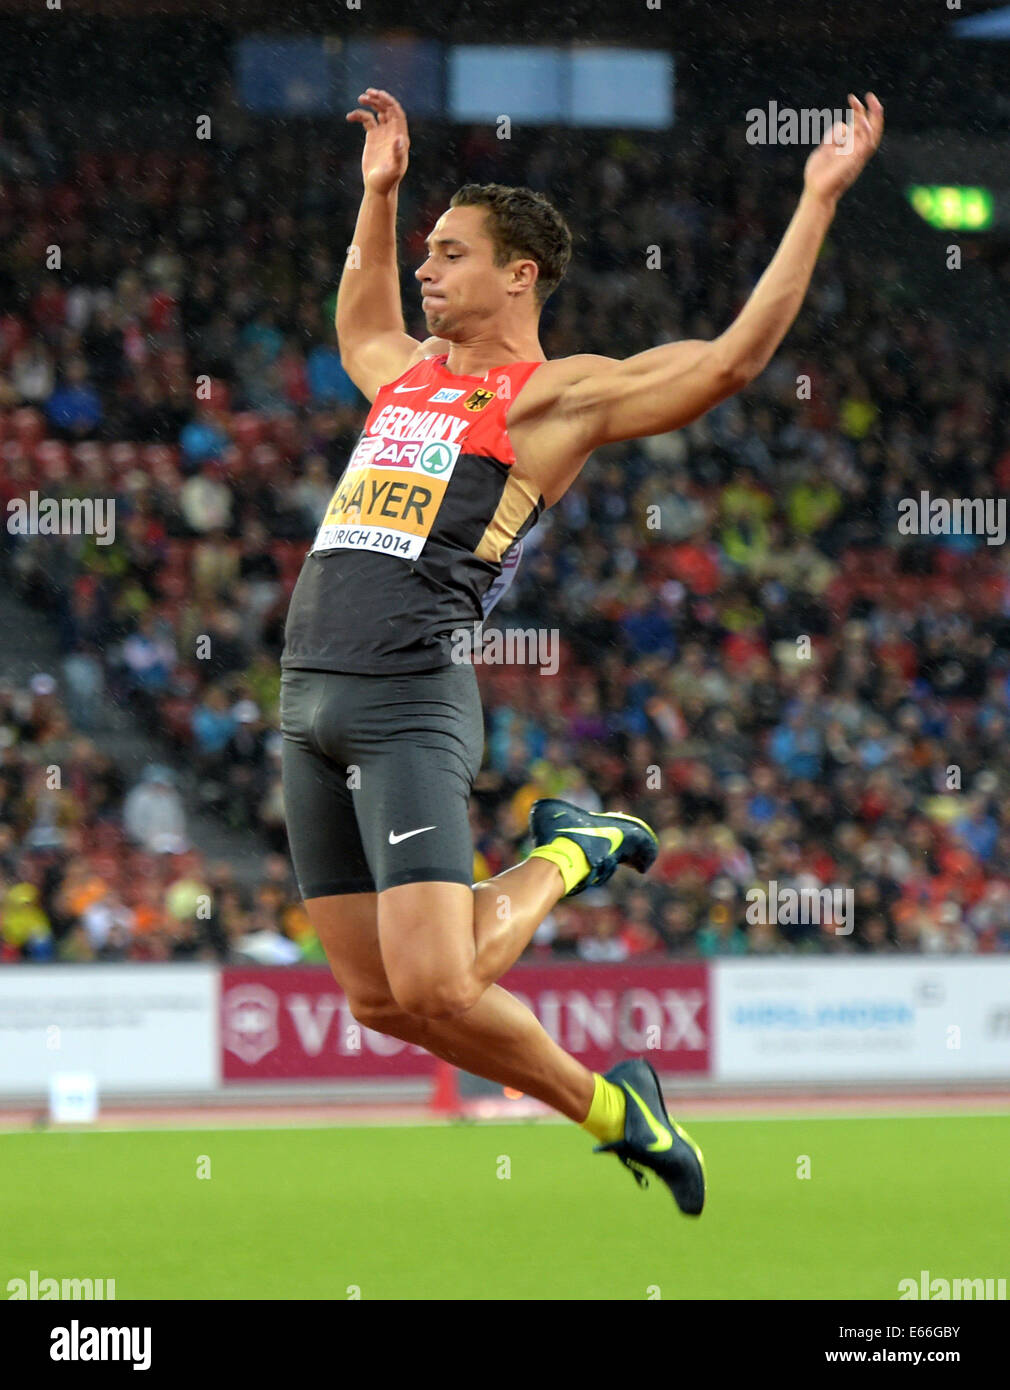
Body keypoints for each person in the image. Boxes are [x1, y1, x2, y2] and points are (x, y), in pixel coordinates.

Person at [280, 87, 884, 1216]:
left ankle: (573, 852)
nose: (425, 269)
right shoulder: (406, 375)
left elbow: (729, 362)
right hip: (304, 698)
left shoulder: (549, 399)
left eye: (449, 254)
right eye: (425, 252)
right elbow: (358, 323)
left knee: (440, 976)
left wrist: (814, 200)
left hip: (405, 699)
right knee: (380, 1001)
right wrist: (380, 193)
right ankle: (621, 1113)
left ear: (519, 274)